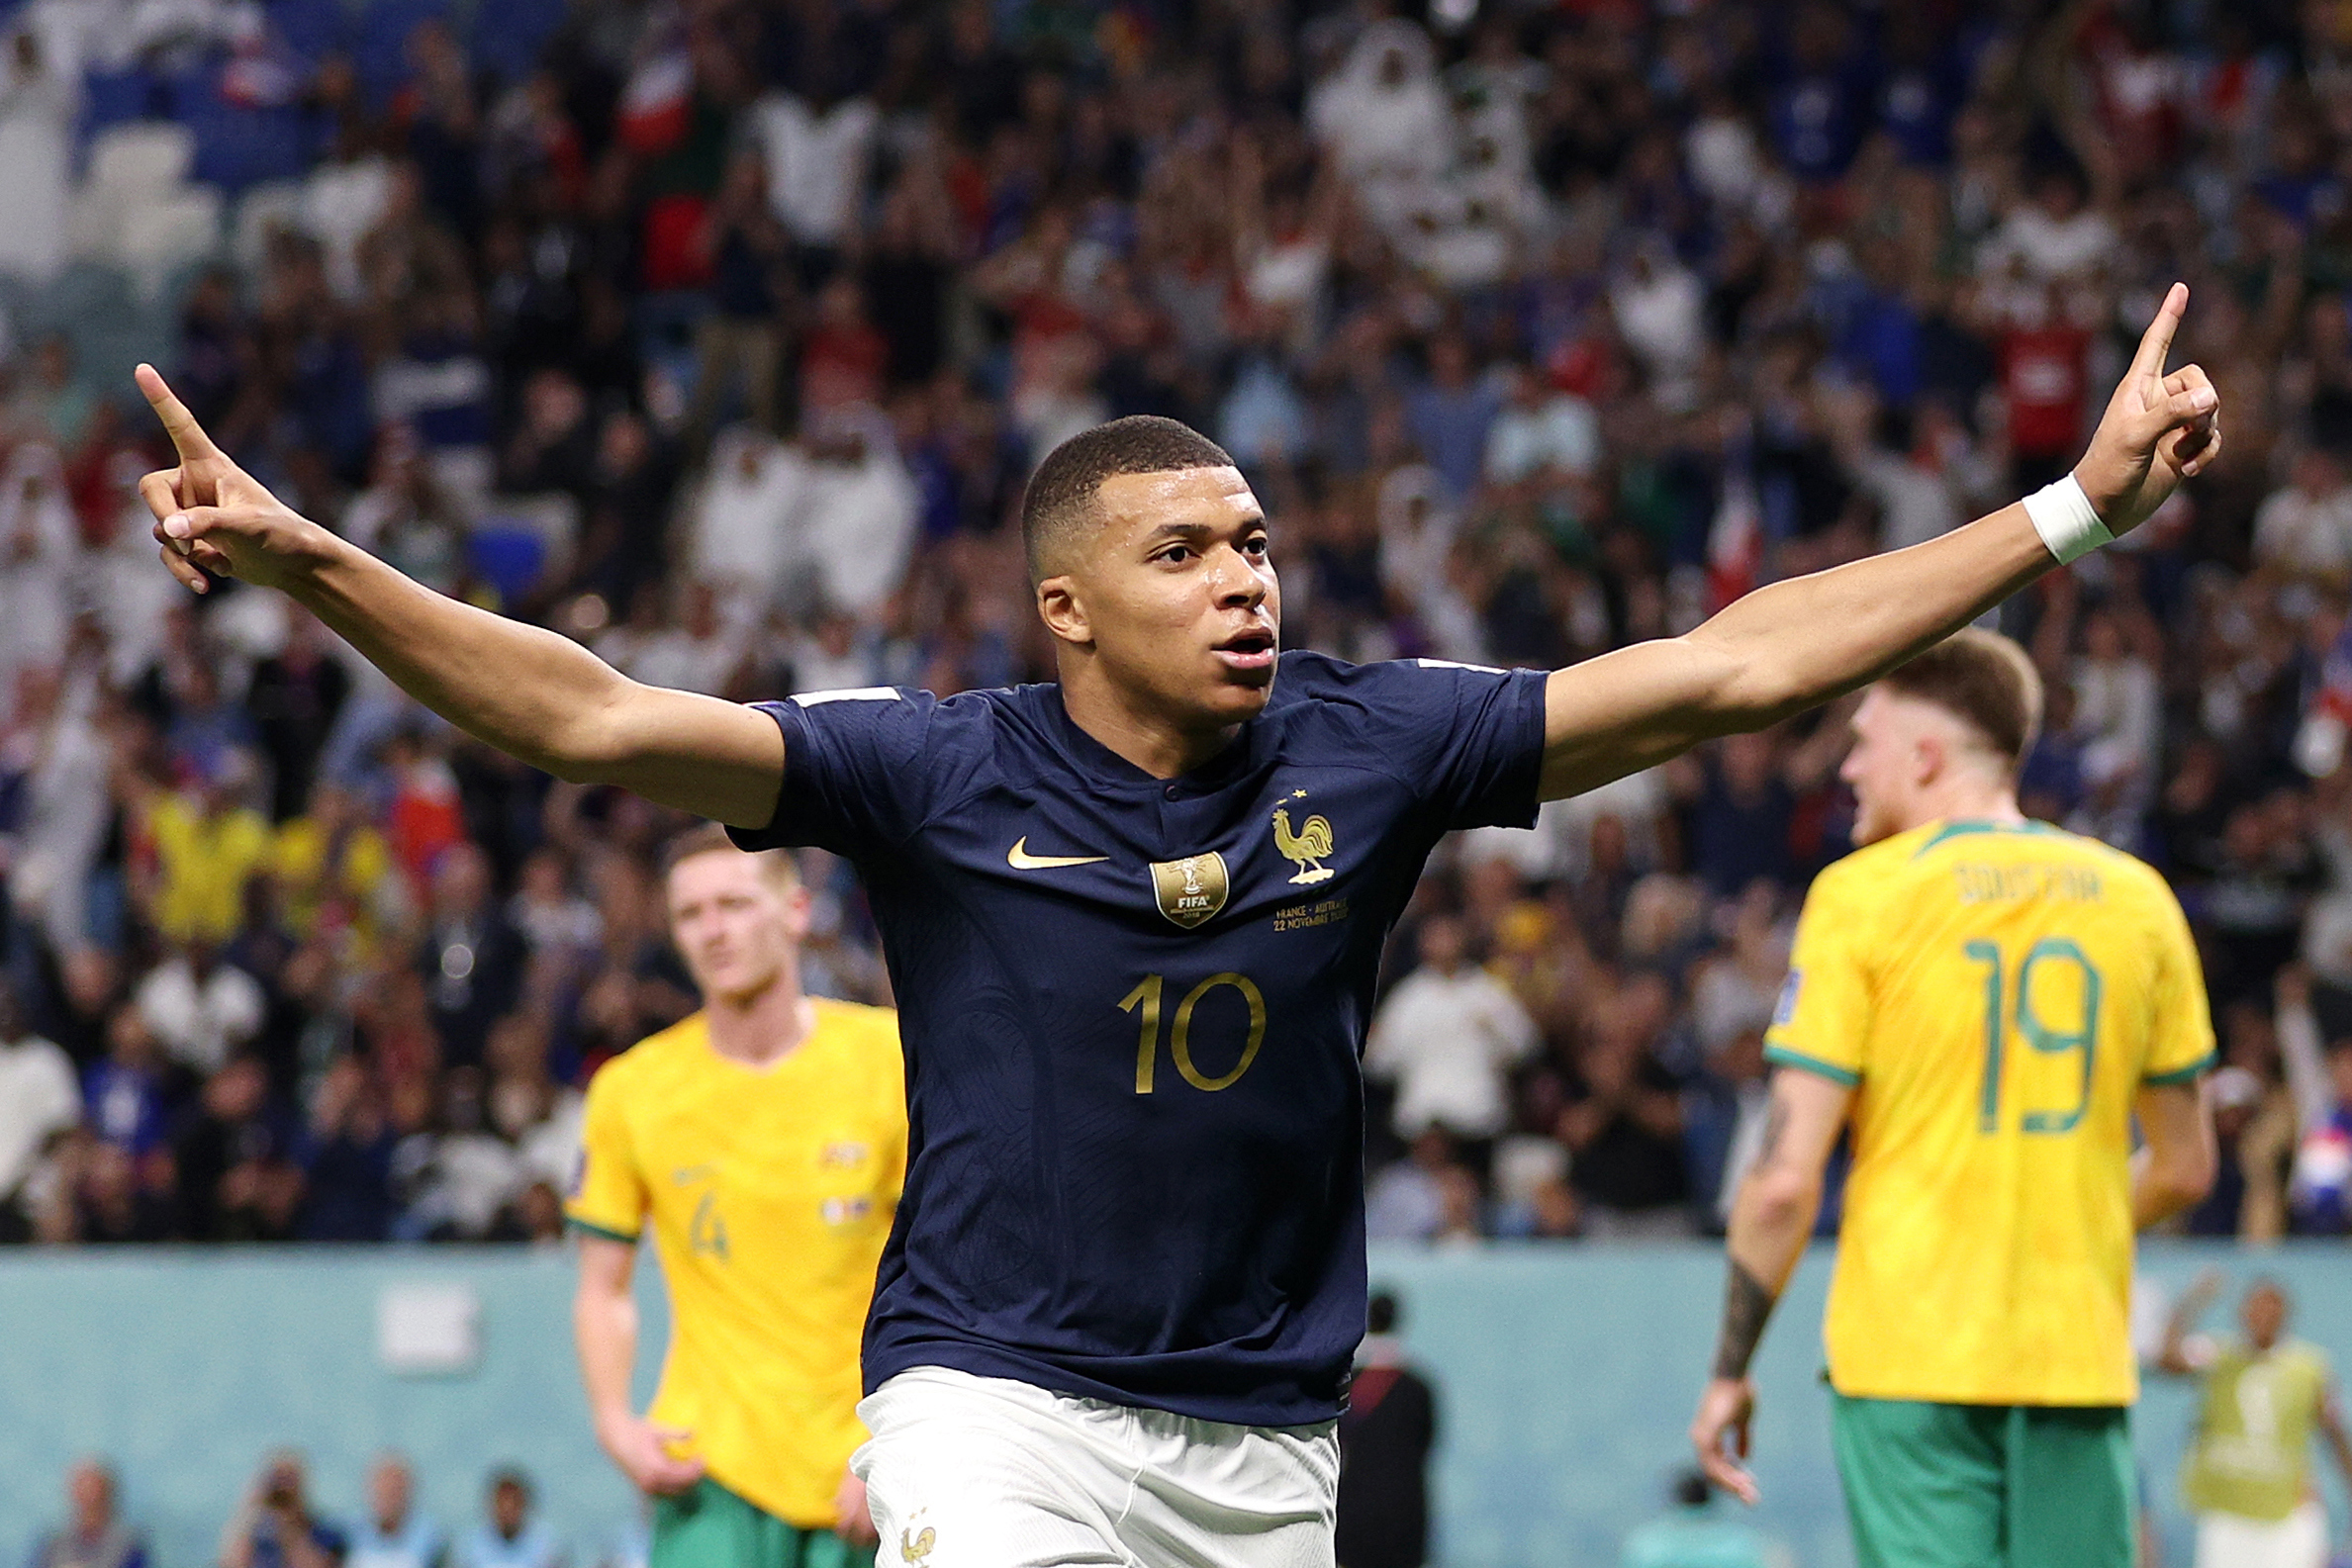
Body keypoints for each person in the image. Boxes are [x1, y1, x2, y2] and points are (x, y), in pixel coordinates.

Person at [133, 279, 2219, 1567]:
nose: (1250, 579)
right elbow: (587, 710)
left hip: (1264, 1436)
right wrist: (323, 563)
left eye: (1257, 541)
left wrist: (2071, 510)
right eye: (1185, 551)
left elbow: (1738, 665)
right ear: (1067, 605)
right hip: (994, 1402)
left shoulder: (1376, 744)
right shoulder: (934, 776)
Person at [1688, 628, 2221, 1568]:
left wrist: (1729, 1371)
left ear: (1925, 755)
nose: (1847, 765)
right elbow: (2185, 1166)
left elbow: (1781, 1182)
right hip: (2073, 1358)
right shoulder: (2138, 901)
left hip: (1907, 1361)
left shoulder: (1860, 898)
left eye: (1864, 741)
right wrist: (2069, 1218)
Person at [568, 825, 899, 1567]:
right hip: (708, 1470)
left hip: (863, 1462)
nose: (713, 929)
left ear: (795, 910)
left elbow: (954, 1266)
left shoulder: (888, 1060)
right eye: (690, 913)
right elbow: (603, 1286)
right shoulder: (633, 1089)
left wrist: (906, 1435)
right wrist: (613, 1421)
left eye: (735, 903)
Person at [2155, 1272, 2352, 1568]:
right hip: (2229, 1509)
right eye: (2256, 1307)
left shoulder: (2309, 1367)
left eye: (2272, 1308)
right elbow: (2168, 1361)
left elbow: (2334, 1433)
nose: (2263, 1316)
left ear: (2286, 1315)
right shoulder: (2219, 1355)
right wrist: (2192, 1303)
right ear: (2242, 1312)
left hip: (2286, 1511)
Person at [1335, 1292, 1438, 1568]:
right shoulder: (1418, 1388)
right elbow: (1428, 1444)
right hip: (1406, 1509)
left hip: (1353, 1508)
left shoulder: (1345, 1385)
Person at [221, 1452, 346, 1568]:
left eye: (289, 1478)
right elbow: (231, 1563)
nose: (283, 1487)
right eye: (278, 1478)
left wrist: (290, 1526)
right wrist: (250, 1508)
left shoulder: (325, 1533)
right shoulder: (257, 1534)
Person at [33, 1458, 147, 1568]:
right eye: (82, 1489)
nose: (89, 1497)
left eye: (95, 1490)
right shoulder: (55, 1545)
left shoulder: (128, 1545)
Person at [346, 1453, 446, 1568]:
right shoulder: (350, 1532)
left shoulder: (430, 1536)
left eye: (395, 1490)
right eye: (383, 1490)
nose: (389, 1497)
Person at [452, 1470, 559, 1568]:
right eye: (502, 1504)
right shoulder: (469, 1546)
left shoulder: (546, 1546)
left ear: (525, 1505)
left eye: (514, 1504)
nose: (507, 1511)